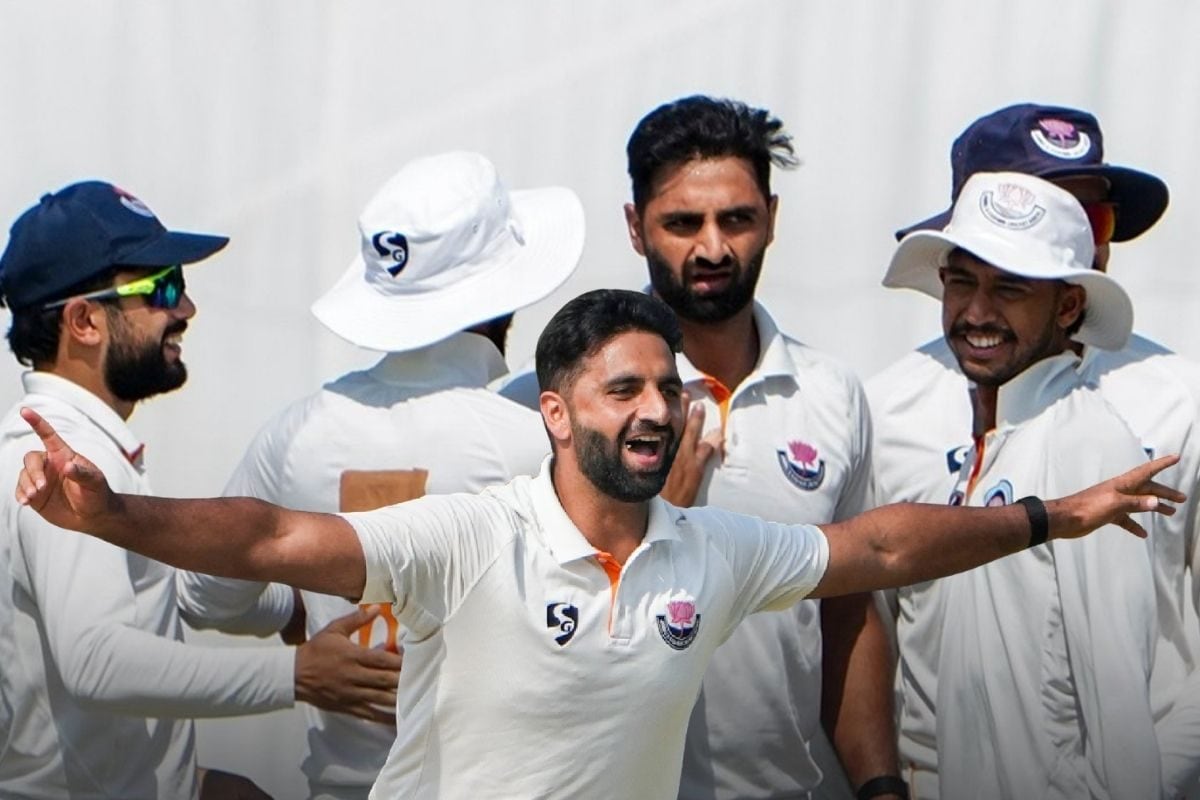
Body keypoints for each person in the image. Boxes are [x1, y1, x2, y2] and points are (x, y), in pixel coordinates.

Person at [13, 288, 1182, 800]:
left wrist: (1051, 514)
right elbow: (272, 531)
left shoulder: (711, 547)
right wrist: (111, 515)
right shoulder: (474, 534)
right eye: (622, 389)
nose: (655, 409)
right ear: (555, 413)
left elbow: (876, 549)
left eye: (666, 387)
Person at [174, 151, 584, 799]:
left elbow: (204, 597)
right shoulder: (533, 444)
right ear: (501, 294)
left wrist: (306, 612)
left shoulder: (295, 434)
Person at [0, 181, 402, 799]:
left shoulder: (83, 447)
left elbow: (156, 593)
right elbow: (95, 660)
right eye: (162, 288)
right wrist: (297, 674)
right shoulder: (59, 459)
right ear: (84, 321)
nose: (185, 307)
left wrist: (286, 608)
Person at [869, 103, 1200, 798]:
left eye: (1094, 219)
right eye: (969, 273)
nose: (1083, 237)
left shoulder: (1174, 400)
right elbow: (863, 619)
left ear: (1072, 299)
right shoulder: (891, 407)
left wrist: (1158, 781)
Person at [620, 95, 896, 800]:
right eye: (683, 223)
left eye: (737, 219)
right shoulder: (567, 399)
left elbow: (847, 612)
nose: (713, 249)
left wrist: (881, 785)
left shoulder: (831, 394)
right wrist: (651, 517)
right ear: (635, 228)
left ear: (771, 218)